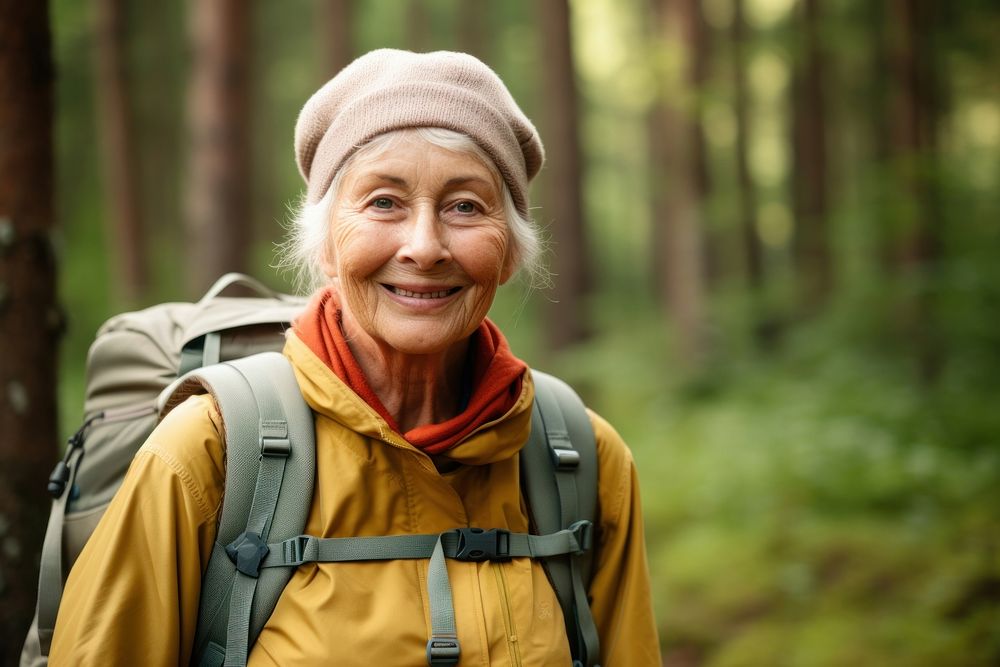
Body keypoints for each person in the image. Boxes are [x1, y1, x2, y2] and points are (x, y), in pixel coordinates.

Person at [50, 49, 661, 666]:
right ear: (325, 247)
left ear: (509, 253)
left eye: (466, 207)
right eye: (384, 202)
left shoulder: (580, 460)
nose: (425, 247)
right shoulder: (210, 453)